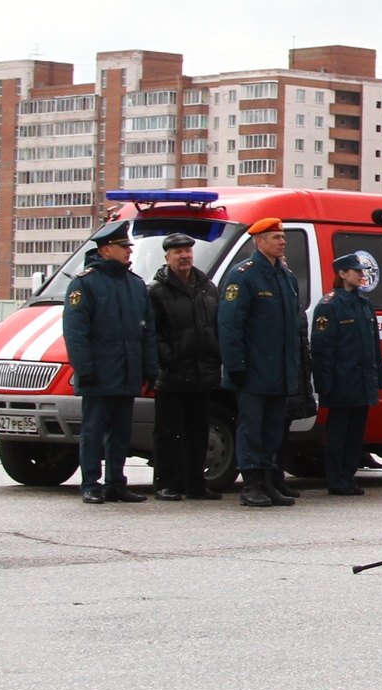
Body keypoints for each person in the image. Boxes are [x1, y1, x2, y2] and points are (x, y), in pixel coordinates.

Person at [64, 220, 156, 504]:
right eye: (123, 247)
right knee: (93, 431)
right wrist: (86, 370)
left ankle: (116, 482)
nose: (129, 251)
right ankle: (91, 483)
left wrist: (149, 367)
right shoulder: (85, 283)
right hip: (100, 374)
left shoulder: (136, 285)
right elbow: (76, 333)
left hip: (127, 371)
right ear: (105, 250)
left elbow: (147, 330)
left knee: (120, 432)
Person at [221, 217, 304, 508]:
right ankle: (251, 485)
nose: (282, 241)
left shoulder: (285, 276)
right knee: (251, 430)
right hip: (254, 371)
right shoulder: (243, 275)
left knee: (273, 431)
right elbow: (231, 325)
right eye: (275, 237)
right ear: (259, 241)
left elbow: (292, 329)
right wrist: (236, 366)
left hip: (279, 371)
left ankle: (269, 482)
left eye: (282, 236)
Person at [147, 234, 223, 498]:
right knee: (168, 433)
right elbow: (151, 333)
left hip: (203, 372)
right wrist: (169, 357)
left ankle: (195, 484)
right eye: (178, 252)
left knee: (198, 432)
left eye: (188, 251)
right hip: (173, 374)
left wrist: (216, 353)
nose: (185, 256)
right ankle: (167, 484)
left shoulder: (207, 287)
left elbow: (217, 325)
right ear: (167, 257)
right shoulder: (156, 291)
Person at [311, 248, 382, 494]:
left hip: (361, 382)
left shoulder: (363, 303)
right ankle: (336, 479)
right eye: (357, 271)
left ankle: (348, 476)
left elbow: (374, 345)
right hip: (342, 381)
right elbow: (322, 349)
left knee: (355, 435)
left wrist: (378, 380)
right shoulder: (330, 304)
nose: (362, 275)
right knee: (338, 434)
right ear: (342, 274)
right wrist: (325, 384)